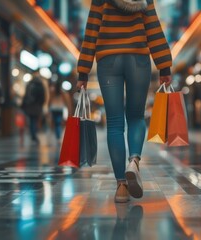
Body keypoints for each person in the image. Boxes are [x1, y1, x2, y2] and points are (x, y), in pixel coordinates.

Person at [77, 0, 172, 203]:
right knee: (136, 117)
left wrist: (83, 71)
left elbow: (92, 30)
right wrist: (164, 66)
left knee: (114, 123)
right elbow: (153, 27)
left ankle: (121, 186)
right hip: (138, 60)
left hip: (108, 62)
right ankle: (134, 161)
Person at [21, 76, 45, 144]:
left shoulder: (29, 85)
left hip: (30, 106)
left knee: (31, 121)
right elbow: (43, 97)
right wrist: (40, 104)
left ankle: (33, 135)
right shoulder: (41, 86)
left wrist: (24, 104)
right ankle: (34, 135)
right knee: (35, 121)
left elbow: (25, 95)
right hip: (37, 106)